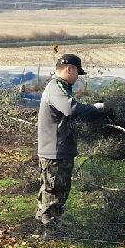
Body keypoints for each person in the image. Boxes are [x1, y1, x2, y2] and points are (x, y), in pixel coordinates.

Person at [34, 53, 110, 236]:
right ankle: (49, 232)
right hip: (55, 152)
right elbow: (71, 109)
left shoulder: (61, 87)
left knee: (58, 191)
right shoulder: (56, 87)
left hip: (60, 150)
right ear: (69, 69)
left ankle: (48, 226)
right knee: (54, 192)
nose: (77, 77)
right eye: (77, 73)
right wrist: (96, 108)